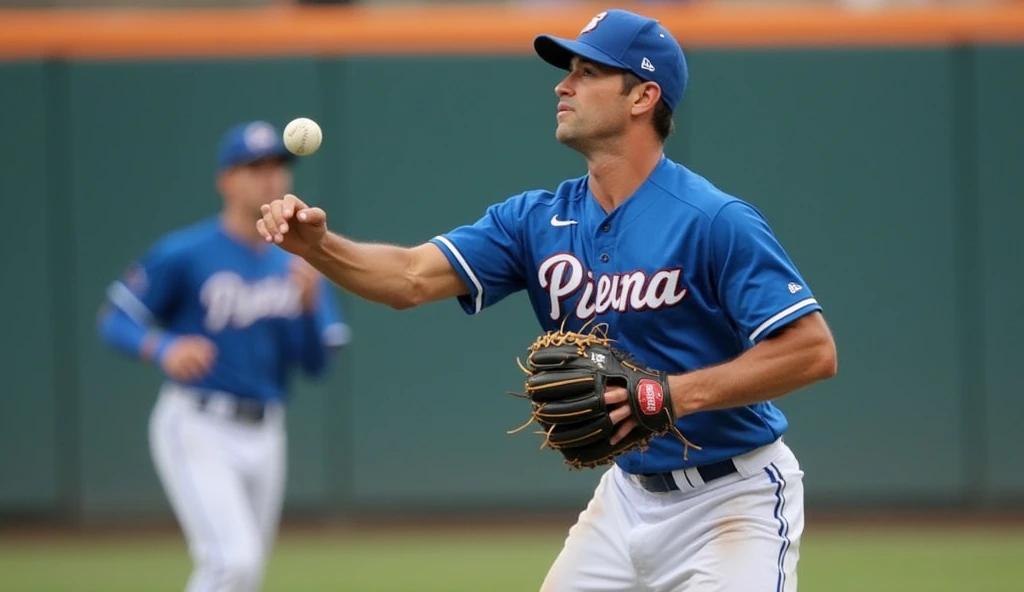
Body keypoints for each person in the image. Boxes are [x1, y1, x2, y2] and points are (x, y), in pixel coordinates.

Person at [257, 8, 837, 591]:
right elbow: (410, 277)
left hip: (732, 502)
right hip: (626, 499)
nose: (563, 85)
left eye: (587, 72)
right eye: (568, 71)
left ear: (643, 97)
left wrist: (672, 395)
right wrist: (319, 247)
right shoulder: (534, 220)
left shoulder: (713, 220)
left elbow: (811, 351)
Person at [96, 120, 349, 592]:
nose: (270, 177)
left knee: (245, 574)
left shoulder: (300, 262)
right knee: (232, 563)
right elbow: (115, 318)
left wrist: (309, 310)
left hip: (268, 430)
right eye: (255, 167)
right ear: (226, 180)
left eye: (277, 166)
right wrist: (161, 346)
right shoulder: (186, 253)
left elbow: (316, 366)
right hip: (198, 424)